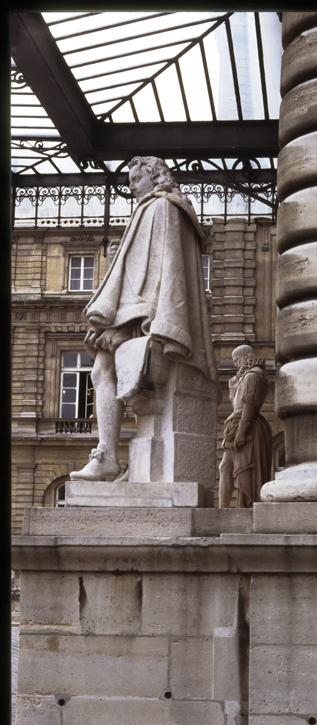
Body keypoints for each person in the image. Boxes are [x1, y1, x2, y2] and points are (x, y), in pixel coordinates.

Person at [70, 156, 217, 481]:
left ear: (155, 176)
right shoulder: (154, 208)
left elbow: (162, 276)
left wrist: (134, 324)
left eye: (136, 179)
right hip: (142, 319)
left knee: (104, 366)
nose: (131, 186)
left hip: (152, 324)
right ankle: (109, 455)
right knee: (101, 366)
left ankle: (108, 455)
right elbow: (143, 274)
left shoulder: (162, 208)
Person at [219, 345, 273, 507]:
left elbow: (249, 406)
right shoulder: (245, 377)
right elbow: (238, 404)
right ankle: (223, 509)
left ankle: (239, 508)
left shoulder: (253, 375)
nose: (235, 364)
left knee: (243, 470)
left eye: (237, 360)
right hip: (236, 424)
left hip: (247, 427)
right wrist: (233, 391)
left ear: (245, 356)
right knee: (224, 467)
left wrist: (242, 432)